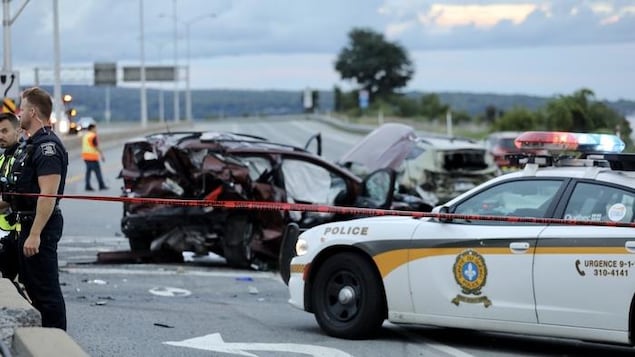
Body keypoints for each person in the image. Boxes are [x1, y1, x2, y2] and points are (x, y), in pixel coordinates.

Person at [6, 87, 68, 330]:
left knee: (45, 291)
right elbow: (19, 193)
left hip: (39, 224)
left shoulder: (47, 147)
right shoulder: (29, 145)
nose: (18, 114)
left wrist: (35, 234)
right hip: (24, 222)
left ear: (32, 111)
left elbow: (47, 195)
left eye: (21, 109)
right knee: (30, 285)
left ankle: (55, 343)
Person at [0, 112, 23, 281]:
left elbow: (16, 197)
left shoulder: (24, 159)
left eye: (5, 131)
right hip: (5, 237)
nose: (0, 136)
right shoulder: (2, 159)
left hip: (21, 234)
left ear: (18, 131)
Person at [81, 123, 107, 191]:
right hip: (92, 157)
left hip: (85, 156)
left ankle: (87, 186)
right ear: (92, 128)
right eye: (95, 128)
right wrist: (102, 155)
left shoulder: (86, 135)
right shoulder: (93, 136)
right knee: (97, 172)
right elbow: (96, 146)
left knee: (88, 172)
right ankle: (101, 185)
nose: (96, 129)